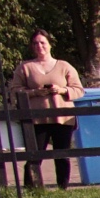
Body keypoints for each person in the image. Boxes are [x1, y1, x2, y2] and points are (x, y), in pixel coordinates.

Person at [6, 29, 84, 188]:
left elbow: (79, 90)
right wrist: (34, 92)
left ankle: (63, 187)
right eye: (35, 43)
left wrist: (62, 90)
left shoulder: (64, 66)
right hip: (37, 119)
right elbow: (14, 90)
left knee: (62, 154)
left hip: (62, 118)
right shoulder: (24, 67)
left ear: (50, 44)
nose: (39, 46)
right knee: (34, 154)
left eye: (42, 42)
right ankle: (32, 188)